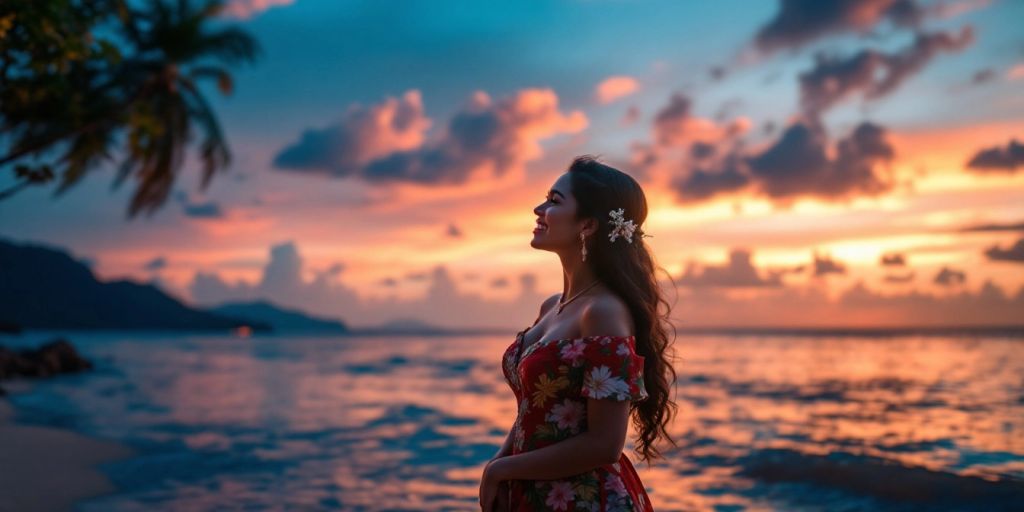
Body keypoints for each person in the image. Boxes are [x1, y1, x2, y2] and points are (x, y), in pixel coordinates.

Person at [479, 155, 679, 511]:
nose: (538, 209)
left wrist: (501, 470)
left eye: (554, 201)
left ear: (587, 225)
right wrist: (499, 464)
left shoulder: (602, 313)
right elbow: (532, 408)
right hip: (534, 490)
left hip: (583, 498)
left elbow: (604, 444)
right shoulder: (551, 306)